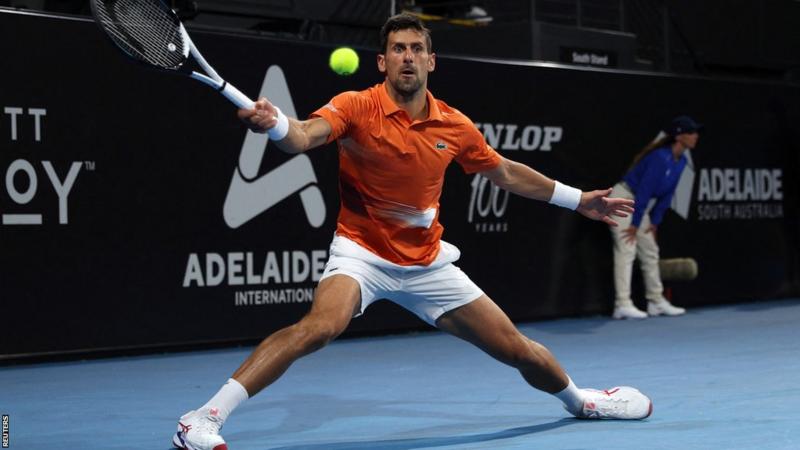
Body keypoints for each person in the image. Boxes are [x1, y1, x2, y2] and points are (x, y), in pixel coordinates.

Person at [172, 13, 651, 450]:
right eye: (399, 49)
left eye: (417, 49)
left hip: (427, 263)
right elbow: (303, 136)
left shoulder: (454, 124)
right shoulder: (356, 106)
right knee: (318, 329)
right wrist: (276, 124)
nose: (408, 57)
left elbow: (503, 172)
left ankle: (582, 401)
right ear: (383, 61)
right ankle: (203, 416)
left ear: (431, 61)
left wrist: (578, 199)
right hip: (362, 254)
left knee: (518, 350)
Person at [609, 115, 702, 320]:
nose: (696, 136)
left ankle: (655, 301)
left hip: (637, 204)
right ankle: (622, 304)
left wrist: (656, 221)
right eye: (691, 132)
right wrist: (634, 224)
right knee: (626, 248)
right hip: (622, 197)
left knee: (650, 250)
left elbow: (668, 195)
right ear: (679, 137)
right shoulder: (660, 157)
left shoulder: (681, 162)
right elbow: (644, 190)